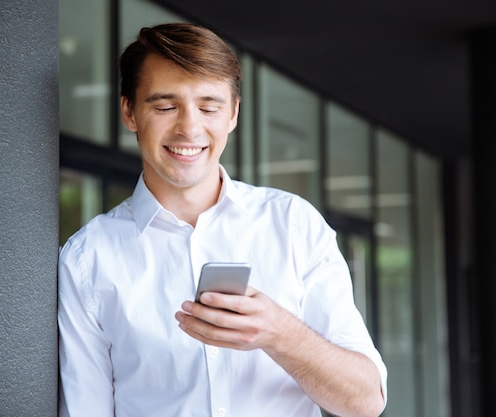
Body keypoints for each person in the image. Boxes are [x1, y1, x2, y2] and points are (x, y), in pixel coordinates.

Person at [58, 22, 387, 417]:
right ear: (129, 112)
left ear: (232, 113)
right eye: (164, 106)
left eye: (209, 106)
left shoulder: (295, 225)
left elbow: (365, 402)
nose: (189, 128)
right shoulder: (86, 258)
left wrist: (279, 333)